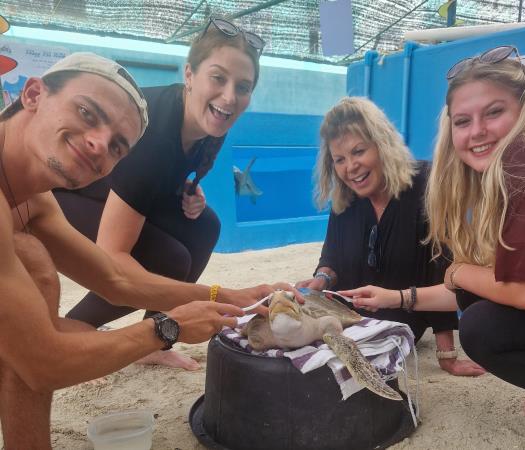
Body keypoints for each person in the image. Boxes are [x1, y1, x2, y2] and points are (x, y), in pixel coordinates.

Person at [0, 51, 285, 450]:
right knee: (32, 268)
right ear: (33, 94)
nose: (99, 144)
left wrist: (225, 296)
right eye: (86, 112)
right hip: (39, 356)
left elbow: (115, 279)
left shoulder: (37, 199)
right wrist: (165, 329)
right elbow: (42, 363)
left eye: (118, 146)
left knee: (33, 266)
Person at [340, 46, 525, 449]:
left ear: (524, 109)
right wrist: (394, 297)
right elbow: (496, 284)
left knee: (482, 328)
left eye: (493, 112)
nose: (477, 130)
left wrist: (459, 271)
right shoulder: (512, 170)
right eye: (463, 120)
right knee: (487, 307)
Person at [54, 18, 266, 370]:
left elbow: (163, 178)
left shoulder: (214, 125)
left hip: (114, 189)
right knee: (168, 260)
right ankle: (74, 332)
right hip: (61, 195)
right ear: (189, 75)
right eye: (218, 78)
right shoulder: (154, 135)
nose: (229, 97)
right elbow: (112, 257)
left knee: (206, 225)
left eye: (242, 87)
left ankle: (152, 337)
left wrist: (189, 192)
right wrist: (213, 297)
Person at [296, 97, 484, 377]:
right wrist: (322, 278)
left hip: (404, 317)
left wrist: (447, 355)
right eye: (339, 160)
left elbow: (441, 267)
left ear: (382, 145)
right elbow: (332, 256)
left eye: (358, 151)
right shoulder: (344, 197)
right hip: (348, 319)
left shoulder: (426, 183)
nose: (350, 167)